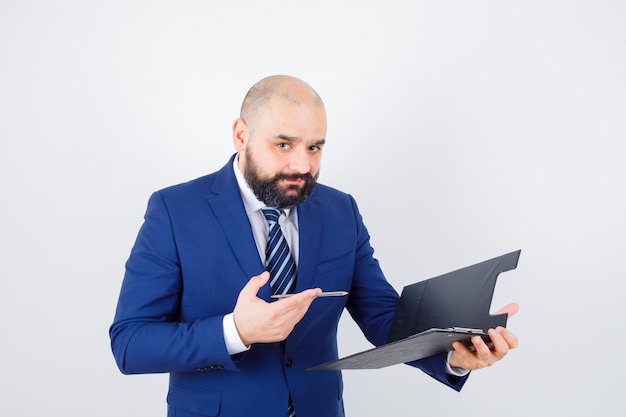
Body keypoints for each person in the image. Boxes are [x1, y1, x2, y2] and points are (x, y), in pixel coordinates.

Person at [109, 75, 519, 417]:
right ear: (241, 135)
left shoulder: (340, 210)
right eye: (283, 145)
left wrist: (452, 353)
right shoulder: (175, 210)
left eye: (315, 147)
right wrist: (235, 331)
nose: (302, 166)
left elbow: (382, 315)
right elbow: (130, 343)